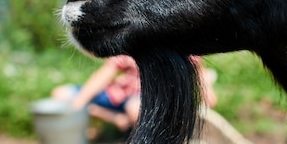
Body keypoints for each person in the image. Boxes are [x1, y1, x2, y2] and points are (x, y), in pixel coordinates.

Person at [52, 55, 217, 132]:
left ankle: (141, 140)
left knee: (134, 109)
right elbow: (105, 74)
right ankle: (115, 119)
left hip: (148, 98)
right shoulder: (133, 41)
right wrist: (79, 101)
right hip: (119, 94)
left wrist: (206, 92)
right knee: (60, 95)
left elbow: (198, 71)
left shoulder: (181, 45)